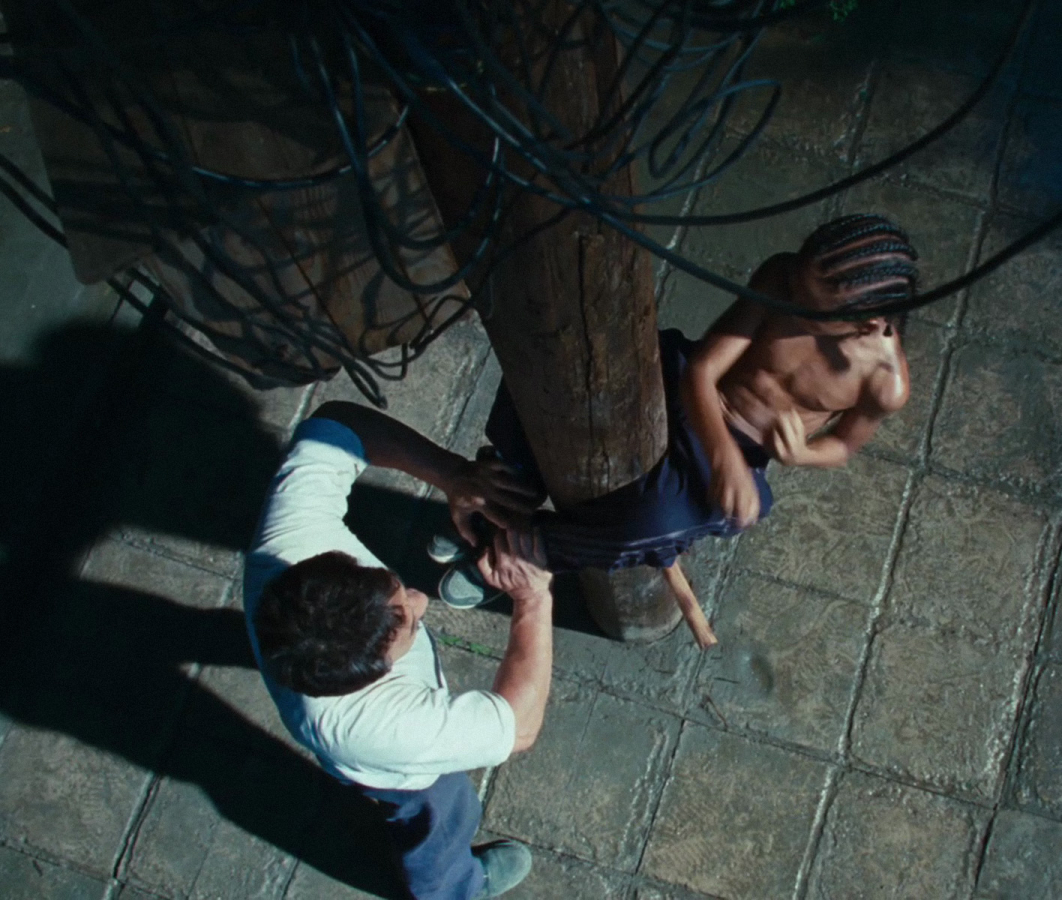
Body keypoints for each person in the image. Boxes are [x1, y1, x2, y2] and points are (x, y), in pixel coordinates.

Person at [437, 212, 916, 607]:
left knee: (662, 523)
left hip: (738, 449)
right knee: (564, 364)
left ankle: (528, 551)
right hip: (687, 381)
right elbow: (702, 372)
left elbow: (843, 447)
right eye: (795, 286)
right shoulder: (782, 277)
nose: (792, 301)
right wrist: (722, 454)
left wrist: (800, 455)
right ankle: (502, 493)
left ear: (865, 324)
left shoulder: (885, 383)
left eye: (809, 307)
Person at [243, 400, 553, 900]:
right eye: (407, 621)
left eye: (394, 588)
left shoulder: (290, 541)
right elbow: (519, 728)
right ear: (372, 674)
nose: (422, 599)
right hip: (399, 774)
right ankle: (455, 889)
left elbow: (338, 422)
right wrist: (533, 599)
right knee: (437, 822)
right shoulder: (381, 728)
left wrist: (453, 474)